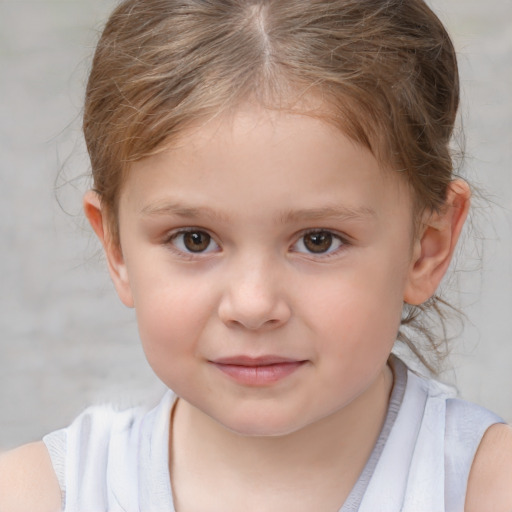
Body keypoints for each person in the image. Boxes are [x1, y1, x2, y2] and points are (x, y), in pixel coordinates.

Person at [0, 0, 511, 510]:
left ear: (426, 247)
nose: (252, 305)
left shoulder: (486, 489)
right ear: (116, 248)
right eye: (194, 239)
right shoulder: (37, 495)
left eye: (318, 240)